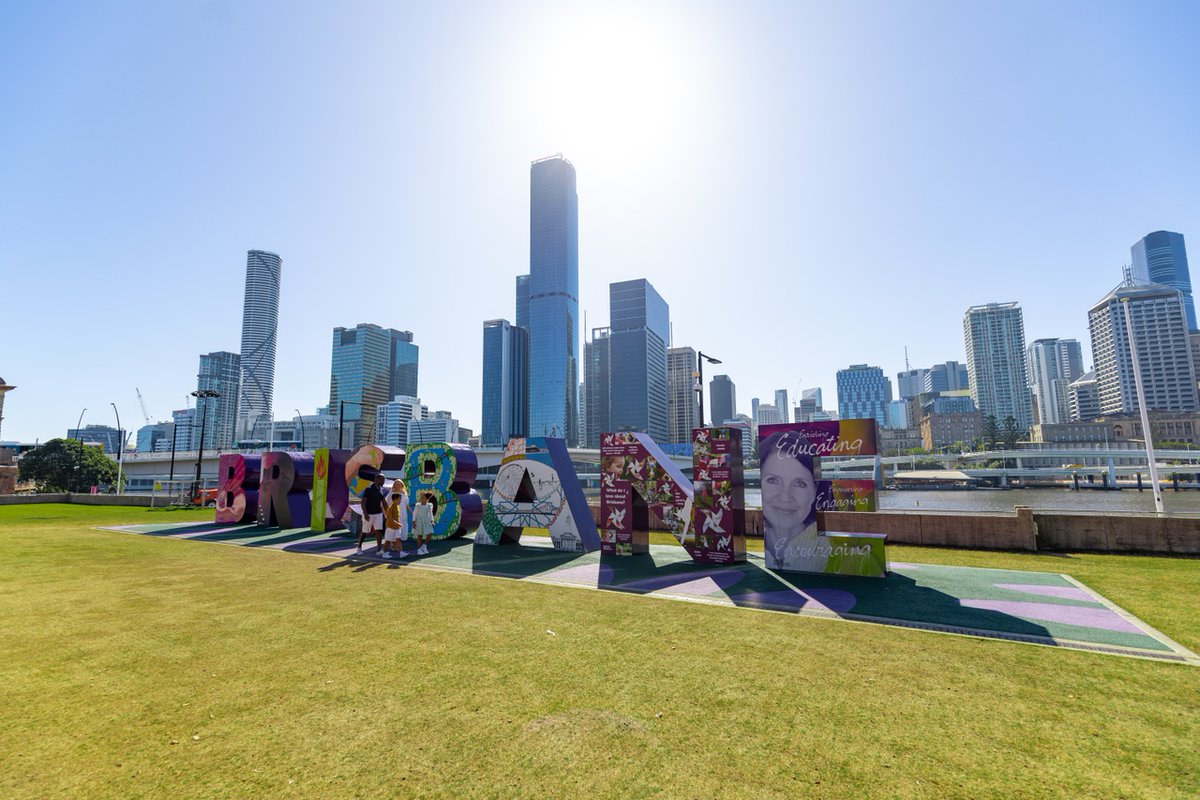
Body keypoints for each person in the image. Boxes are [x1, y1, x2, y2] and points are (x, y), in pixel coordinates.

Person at [759, 432, 826, 573]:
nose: (785, 497)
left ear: (815, 491)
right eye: (773, 480)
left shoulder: (854, 560)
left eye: (800, 484)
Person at [357, 473, 386, 556]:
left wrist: (388, 514)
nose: (383, 481)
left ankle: (379, 549)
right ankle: (359, 547)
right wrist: (365, 514)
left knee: (379, 531)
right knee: (365, 531)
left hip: (378, 514)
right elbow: (363, 502)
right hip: (369, 514)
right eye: (382, 479)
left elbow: (384, 502)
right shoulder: (368, 489)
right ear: (377, 479)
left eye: (383, 479)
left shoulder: (381, 489)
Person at [382, 479, 410, 560]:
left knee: (398, 538)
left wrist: (413, 513)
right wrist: (386, 515)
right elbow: (385, 506)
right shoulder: (391, 506)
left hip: (399, 520)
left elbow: (407, 505)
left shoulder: (402, 497)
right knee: (388, 540)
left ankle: (401, 552)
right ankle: (384, 552)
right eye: (396, 484)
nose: (400, 501)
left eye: (399, 484)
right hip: (392, 524)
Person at [411, 490, 435, 556]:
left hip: (426, 520)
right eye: (421, 497)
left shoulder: (429, 505)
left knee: (430, 533)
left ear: (427, 499)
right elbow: (415, 513)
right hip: (419, 521)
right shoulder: (418, 505)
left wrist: (432, 521)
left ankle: (424, 546)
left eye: (423, 498)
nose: (421, 499)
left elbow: (430, 514)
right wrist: (413, 521)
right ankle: (419, 549)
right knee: (419, 535)